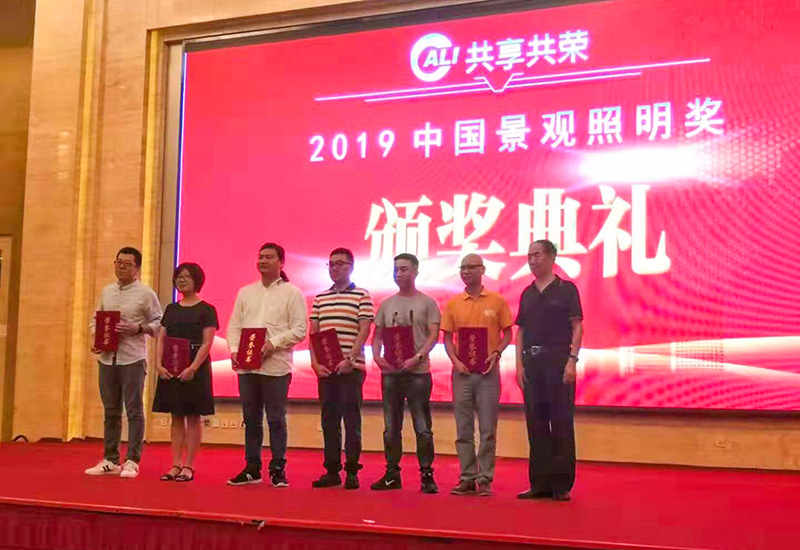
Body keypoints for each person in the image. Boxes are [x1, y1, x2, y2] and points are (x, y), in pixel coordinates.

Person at [226, 243, 307, 487]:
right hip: (247, 367)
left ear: (281, 262)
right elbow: (234, 326)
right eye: (260, 257)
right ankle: (252, 468)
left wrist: (273, 343)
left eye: (269, 257)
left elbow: (300, 330)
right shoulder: (246, 292)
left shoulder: (292, 293)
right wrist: (234, 350)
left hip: (276, 367)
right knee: (251, 419)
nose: (262, 261)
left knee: (275, 419)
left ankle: (278, 468)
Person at [515, 240, 584, 502]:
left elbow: (577, 327)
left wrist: (572, 360)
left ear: (552, 257)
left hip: (558, 361)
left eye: (537, 255)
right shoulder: (527, 293)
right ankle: (539, 483)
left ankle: (562, 485)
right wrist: (519, 365)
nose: (532, 260)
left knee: (561, 422)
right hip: (532, 363)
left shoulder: (566, 289)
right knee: (536, 422)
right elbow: (520, 331)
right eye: (529, 256)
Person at [85, 246, 163, 478]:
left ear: (137, 268)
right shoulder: (107, 291)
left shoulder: (146, 293)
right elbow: (96, 319)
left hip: (132, 358)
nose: (121, 267)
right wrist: (96, 338)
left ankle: (132, 460)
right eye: (118, 262)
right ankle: (110, 459)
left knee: (134, 410)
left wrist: (137, 328)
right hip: (107, 359)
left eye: (127, 264)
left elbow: (159, 323)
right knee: (111, 411)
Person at [440, 254, 513, 497]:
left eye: (472, 267)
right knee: (463, 428)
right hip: (461, 373)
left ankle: (485, 478)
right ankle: (467, 477)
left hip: (487, 374)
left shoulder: (496, 300)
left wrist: (496, 353)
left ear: (483, 270)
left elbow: (508, 334)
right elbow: (447, 339)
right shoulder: (453, 303)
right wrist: (455, 361)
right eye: (463, 267)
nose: (466, 271)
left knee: (488, 428)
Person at [371, 253, 441, 494]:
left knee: (422, 427)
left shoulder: (427, 303)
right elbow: (377, 336)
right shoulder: (387, 304)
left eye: (404, 269)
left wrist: (418, 357)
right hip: (391, 373)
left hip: (418, 373)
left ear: (416, 271)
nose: (399, 273)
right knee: (391, 427)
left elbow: (434, 335)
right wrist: (377, 356)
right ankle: (392, 474)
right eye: (396, 269)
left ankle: (427, 475)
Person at [309, 248, 374, 490]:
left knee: (351, 419)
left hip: (352, 369)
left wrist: (350, 359)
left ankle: (353, 470)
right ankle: (332, 470)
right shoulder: (320, 298)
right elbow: (314, 334)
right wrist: (315, 364)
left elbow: (364, 330)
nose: (335, 268)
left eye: (340, 263)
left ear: (351, 267)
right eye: (331, 264)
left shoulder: (361, 295)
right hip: (326, 370)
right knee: (329, 420)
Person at [152, 262, 218, 482]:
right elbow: (162, 338)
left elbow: (207, 343)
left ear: (197, 280)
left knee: (193, 416)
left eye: (187, 276)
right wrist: (158, 365)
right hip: (171, 366)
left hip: (195, 368)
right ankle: (175, 464)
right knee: (176, 416)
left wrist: (193, 368)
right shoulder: (171, 309)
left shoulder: (207, 309)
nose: (181, 280)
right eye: (179, 276)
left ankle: (189, 466)